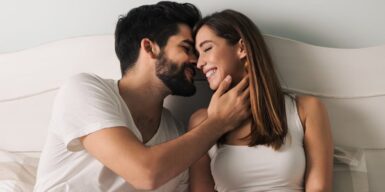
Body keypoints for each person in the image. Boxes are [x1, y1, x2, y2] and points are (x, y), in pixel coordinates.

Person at [34, 2, 250, 191]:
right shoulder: (84, 89)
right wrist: (219, 122)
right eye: (187, 48)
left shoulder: (176, 135)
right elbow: (145, 173)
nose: (197, 61)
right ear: (149, 47)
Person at [189, 9, 334, 192]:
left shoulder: (306, 109)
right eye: (197, 53)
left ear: (241, 48)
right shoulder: (201, 122)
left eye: (207, 49)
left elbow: (319, 188)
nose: (199, 63)